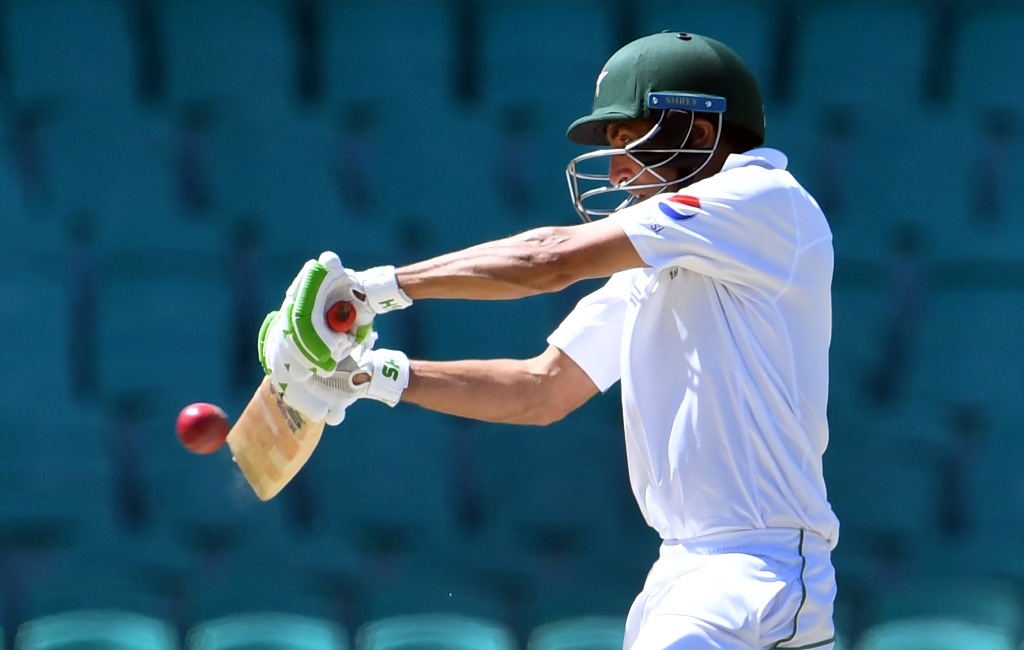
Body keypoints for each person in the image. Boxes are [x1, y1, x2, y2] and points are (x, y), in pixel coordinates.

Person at [259, 31, 839, 650]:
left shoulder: (761, 199)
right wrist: (372, 375)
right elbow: (540, 390)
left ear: (700, 133)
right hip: (681, 572)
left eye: (630, 139)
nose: (616, 169)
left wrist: (373, 289)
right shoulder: (657, 268)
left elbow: (547, 258)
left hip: (755, 568)